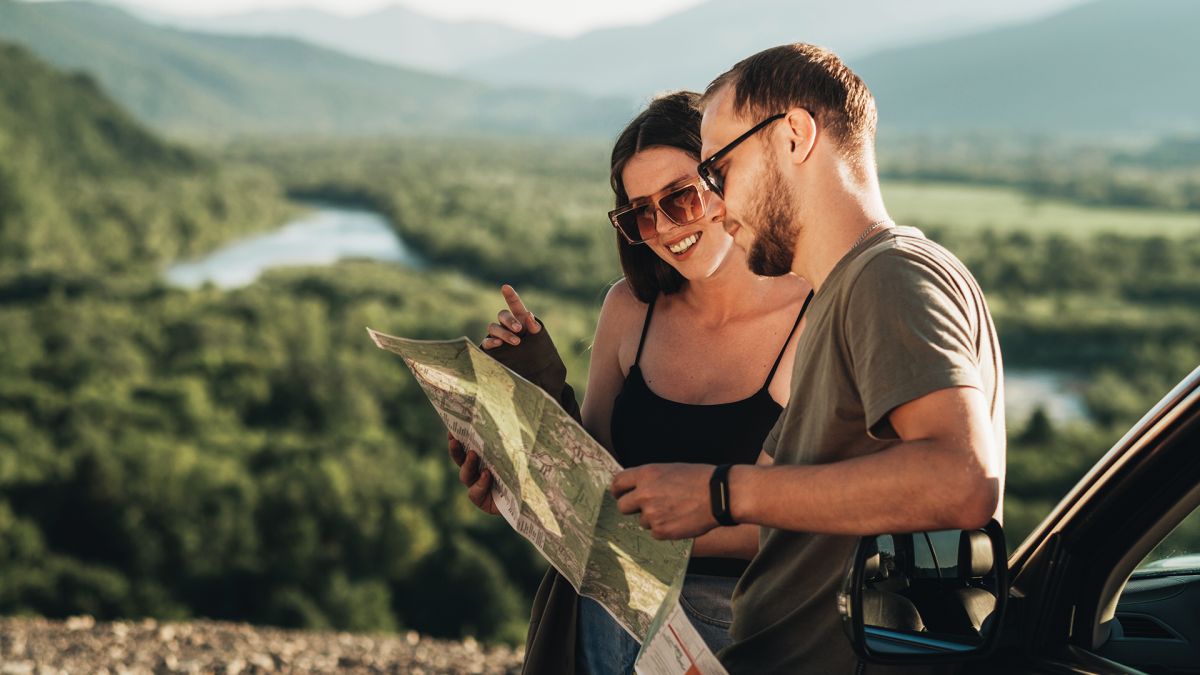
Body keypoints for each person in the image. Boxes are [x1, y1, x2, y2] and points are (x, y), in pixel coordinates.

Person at [610, 44, 1007, 674]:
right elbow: (799, 514)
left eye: (719, 169)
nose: (713, 203)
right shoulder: (844, 294)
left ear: (794, 136)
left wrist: (720, 491)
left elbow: (961, 481)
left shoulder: (891, 275)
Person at [446, 91, 813, 674]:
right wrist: (515, 476)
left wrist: (611, 524)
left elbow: (798, 527)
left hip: (737, 630)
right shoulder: (629, 308)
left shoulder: (812, 317)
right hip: (605, 614)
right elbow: (594, 473)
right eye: (642, 211)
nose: (666, 228)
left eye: (681, 197)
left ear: (727, 177)